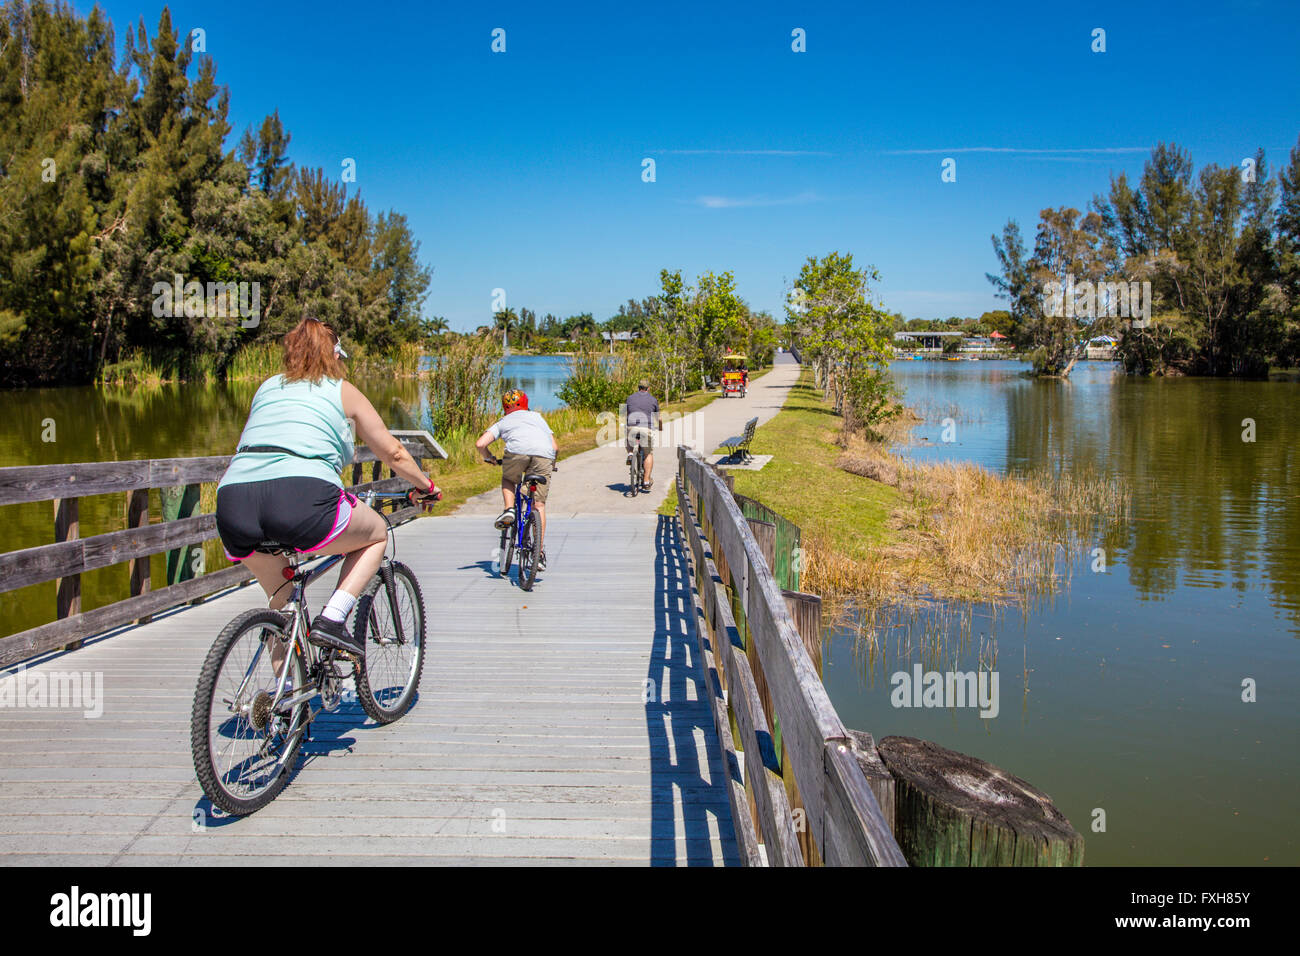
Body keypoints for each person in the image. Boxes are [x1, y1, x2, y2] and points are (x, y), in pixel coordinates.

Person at [215, 318, 441, 659]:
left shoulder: (266, 387)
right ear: (333, 356)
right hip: (301, 498)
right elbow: (393, 452)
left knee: (282, 607)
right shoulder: (340, 389)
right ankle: (333, 619)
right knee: (376, 533)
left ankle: (286, 700)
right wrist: (426, 486)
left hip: (234, 504)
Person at [475, 389, 557, 569]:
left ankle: (509, 509)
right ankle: (539, 553)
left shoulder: (503, 421)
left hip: (517, 454)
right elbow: (555, 446)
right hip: (544, 456)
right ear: (526, 403)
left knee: (509, 479)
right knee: (539, 505)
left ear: (505, 406)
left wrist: (488, 457)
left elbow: (480, 444)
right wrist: (553, 463)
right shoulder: (537, 417)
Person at [624, 379, 662, 489]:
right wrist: (660, 427)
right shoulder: (653, 400)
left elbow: (623, 413)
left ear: (638, 388)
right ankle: (646, 481)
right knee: (648, 453)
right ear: (648, 388)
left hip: (632, 427)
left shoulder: (630, 398)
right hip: (646, 429)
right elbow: (658, 418)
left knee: (628, 438)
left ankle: (630, 454)